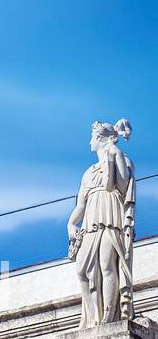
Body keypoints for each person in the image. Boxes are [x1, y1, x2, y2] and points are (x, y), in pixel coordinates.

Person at [68, 119, 135, 327]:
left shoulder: (120, 157)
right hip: (90, 223)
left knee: (107, 265)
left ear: (99, 138)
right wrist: (71, 224)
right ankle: (92, 317)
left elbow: (123, 186)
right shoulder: (88, 172)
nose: (89, 142)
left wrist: (115, 153)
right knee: (82, 270)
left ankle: (109, 315)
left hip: (111, 217)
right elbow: (81, 204)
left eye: (91, 137)